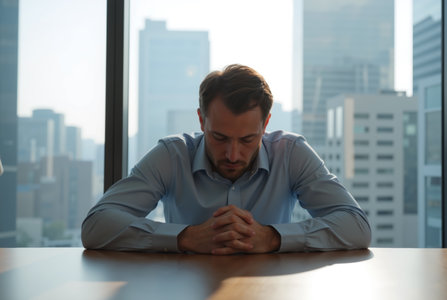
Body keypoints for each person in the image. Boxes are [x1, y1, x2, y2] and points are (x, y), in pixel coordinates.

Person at [82, 64, 371, 254]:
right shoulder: (172, 155)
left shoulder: (291, 152)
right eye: (219, 138)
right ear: (201, 120)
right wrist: (185, 238)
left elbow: (357, 226)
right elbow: (96, 225)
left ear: (266, 124)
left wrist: (272, 238)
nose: (233, 155)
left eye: (248, 139)